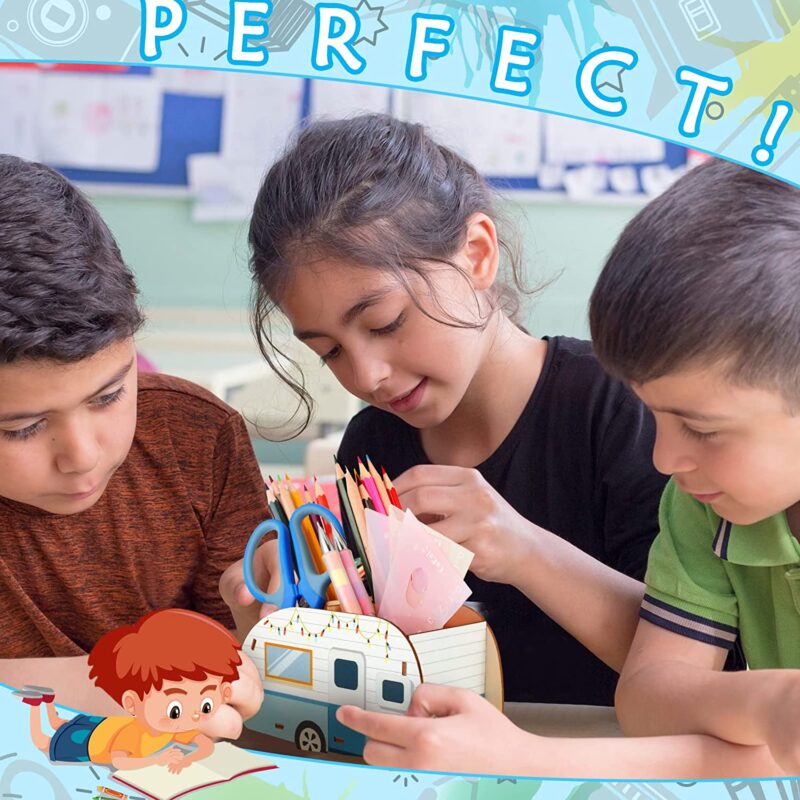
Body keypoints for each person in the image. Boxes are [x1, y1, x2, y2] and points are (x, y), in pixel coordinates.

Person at [239, 112, 665, 706]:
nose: (366, 376)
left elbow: (705, 664)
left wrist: (524, 551)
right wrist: (292, 607)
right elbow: (372, 676)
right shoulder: (371, 447)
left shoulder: (621, 407)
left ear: (476, 254)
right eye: (329, 350)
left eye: (386, 323)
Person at [0, 155, 271, 735]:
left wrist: (260, 631)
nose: (83, 455)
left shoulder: (197, 437)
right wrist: (104, 688)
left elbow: (249, 676)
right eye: (21, 428)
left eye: (108, 396)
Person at [588, 158, 800, 775]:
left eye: (702, 429)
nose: (663, 459)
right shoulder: (703, 503)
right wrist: (767, 700)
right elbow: (648, 695)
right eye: (653, 415)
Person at [17, 609, 240, 771]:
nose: (194, 714)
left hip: (103, 723)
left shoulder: (173, 726)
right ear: (132, 702)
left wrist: (187, 760)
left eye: (205, 705)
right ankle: (36, 705)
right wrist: (157, 759)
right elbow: (120, 761)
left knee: (60, 723)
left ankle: (47, 701)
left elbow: (203, 744)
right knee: (43, 741)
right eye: (175, 709)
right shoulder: (137, 735)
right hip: (88, 742)